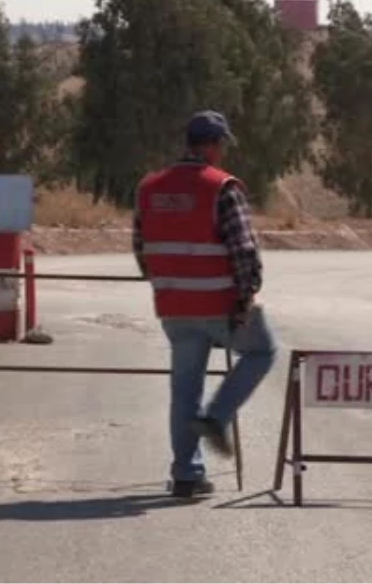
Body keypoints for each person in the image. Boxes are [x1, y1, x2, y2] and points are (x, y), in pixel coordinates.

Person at [132, 110, 278, 499]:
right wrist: (246, 297)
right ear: (212, 146)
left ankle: (186, 475)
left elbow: (141, 250)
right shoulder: (221, 188)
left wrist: (168, 285)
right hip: (220, 303)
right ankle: (217, 417)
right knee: (262, 352)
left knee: (184, 391)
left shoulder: (149, 188)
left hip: (174, 307)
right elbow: (244, 251)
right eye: (222, 145)